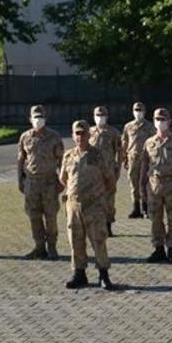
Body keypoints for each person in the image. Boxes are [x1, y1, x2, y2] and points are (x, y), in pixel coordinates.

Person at [59, 120, 117, 290]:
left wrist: (99, 197)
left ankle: (103, 274)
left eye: (83, 133)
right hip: (74, 205)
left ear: (89, 135)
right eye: (76, 133)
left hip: (94, 206)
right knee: (75, 240)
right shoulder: (68, 156)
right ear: (72, 135)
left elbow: (110, 180)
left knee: (98, 240)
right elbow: (63, 179)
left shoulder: (98, 155)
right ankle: (79, 273)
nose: (80, 136)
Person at [17, 104, 64, 260]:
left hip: (49, 182)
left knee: (51, 216)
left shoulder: (54, 137)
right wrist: (20, 180)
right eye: (35, 117)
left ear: (46, 118)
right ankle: (39, 247)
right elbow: (21, 159)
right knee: (33, 216)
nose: (38, 120)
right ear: (30, 119)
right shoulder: (25, 137)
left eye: (41, 117)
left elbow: (61, 161)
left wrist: (62, 181)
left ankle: (52, 247)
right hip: (32, 182)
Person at [143, 107, 172, 263]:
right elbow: (144, 166)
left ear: (169, 121)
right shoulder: (149, 143)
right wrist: (143, 187)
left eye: (163, 119)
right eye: (157, 119)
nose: (160, 122)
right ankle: (159, 249)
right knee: (155, 219)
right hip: (154, 185)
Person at [89, 105, 123, 236]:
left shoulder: (113, 132)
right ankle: (96, 226)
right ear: (94, 117)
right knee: (94, 199)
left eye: (102, 115)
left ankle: (108, 226)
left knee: (109, 200)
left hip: (109, 171)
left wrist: (118, 169)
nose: (100, 118)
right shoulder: (90, 132)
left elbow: (119, 151)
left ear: (107, 117)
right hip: (93, 172)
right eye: (98, 115)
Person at [121, 101, 152, 218]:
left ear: (144, 112)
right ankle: (136, 208)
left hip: (146, 159)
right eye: (136, 110)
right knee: (134, 184)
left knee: (145, 183)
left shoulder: (150, 126)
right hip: (132, 158)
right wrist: (124, 158)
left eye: (140, 110)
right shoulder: (128, 126)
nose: (138, 113)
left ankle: (146, 207)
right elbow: (125, 142)